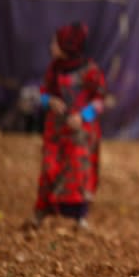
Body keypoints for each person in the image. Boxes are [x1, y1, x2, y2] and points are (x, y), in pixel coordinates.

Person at [29, 22, 107, 230]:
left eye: (55, 42)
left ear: (67, 44)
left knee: (77, 172)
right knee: (50, 168)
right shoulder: (54, 69)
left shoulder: (90, 71)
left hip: (80, 132)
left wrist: (83, 116)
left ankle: (79, 217)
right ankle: (41, 212)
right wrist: (49, 101)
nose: (51, 46)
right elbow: (43, 92)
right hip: (55, 130)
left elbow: (100, 100)